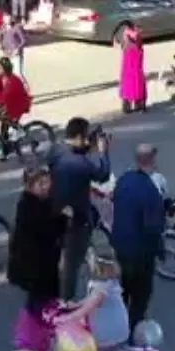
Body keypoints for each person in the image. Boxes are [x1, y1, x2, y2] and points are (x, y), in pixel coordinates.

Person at [48, 117, 112, 300]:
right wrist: (103, 151)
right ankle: (65, 303)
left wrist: (87, 146)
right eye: (85, 137)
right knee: (71, 266)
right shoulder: (80, 163)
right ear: (77, 137)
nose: (87, 141)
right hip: (75, 220)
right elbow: (103, 174)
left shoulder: (56, 150)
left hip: (56, 209)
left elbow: (73, 153)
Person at [53, 247, 131, 351]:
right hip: (110, 325)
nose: (88, 263)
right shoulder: (105, 282)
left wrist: (63, 318)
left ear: (98, 266)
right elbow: (88, 301)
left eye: (91, 261)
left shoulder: (102, 290)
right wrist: (74, 305)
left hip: (109, 332)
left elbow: (86, 309)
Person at [107, 144, 166, 333]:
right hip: (140, 252)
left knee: (124, 289)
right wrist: (160, 250)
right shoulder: (150, 190)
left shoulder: (124, 179)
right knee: (141, 293)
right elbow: (153, 227)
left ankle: (118, 326)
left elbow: (114, 200)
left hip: (120, 245)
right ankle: (132, 331)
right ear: (153, 160)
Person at [7, 165, 68, 318]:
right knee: (41, 298)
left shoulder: (38, 202)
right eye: (41, 184)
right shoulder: (30, 208)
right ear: (30, 186)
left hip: (39, 263)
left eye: (47, 182)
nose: (46, 187)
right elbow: (49, 230)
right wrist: (64, 218)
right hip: (36, 265)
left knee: (39, 298)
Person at [118, 24, 147, 113]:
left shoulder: (126, 46)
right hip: (136, 71)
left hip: (127, 71)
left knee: (127, 88)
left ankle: (127, 107)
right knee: (138, 87)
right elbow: (137, 40)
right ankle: (139, 105)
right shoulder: (137, 45)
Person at [0, 14, 27, 78]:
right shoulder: (2, 28)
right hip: (6, 54)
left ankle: (24, 87)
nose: (7, 21)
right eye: (5, 19)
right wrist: (1, 45)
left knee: (18, 75)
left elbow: (23, 40)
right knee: (8, 74)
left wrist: (17, 49)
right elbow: (0, 38)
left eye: (9, 19)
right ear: (3, 20)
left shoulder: (16, 27)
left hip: (15, 54)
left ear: (11, 19)